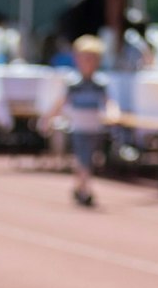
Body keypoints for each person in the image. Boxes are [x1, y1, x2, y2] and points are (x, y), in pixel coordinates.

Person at [43, 35, 118, 207]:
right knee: (82, 158)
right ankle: (85, 189)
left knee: (89, 159)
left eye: (92, 58)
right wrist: (48, 118)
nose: (89, 62)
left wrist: (113, 112)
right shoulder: (73, 82)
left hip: (95, 127)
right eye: (85, 58)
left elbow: (108, 101)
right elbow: (61, 102)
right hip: (78, 127)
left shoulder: (100, 83)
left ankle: (79, 185)